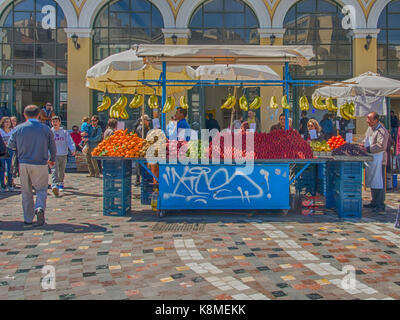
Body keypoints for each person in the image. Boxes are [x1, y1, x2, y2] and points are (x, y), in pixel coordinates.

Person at [8, 105, 57, 226]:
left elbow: (10, 146)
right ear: (39, 114)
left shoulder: (18, 129)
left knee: (26, 191)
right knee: (41, 189)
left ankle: (28, 218)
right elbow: (53, 146)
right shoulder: (45, 129)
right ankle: (39, 207)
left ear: (25, 115)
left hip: (24, 162)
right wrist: (52, 159)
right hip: (40, 162)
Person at [360, 112, 390, 213]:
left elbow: (381, 146)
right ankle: (374, 201)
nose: (367, 121)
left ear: (376, 120)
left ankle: (380, 204)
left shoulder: (382, 131)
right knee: (373, 181)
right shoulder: (370, 129)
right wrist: (363, 145)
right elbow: (366, 139)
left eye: (369, 119)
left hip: (379, 159)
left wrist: (367, 149)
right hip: (371, 159)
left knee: (379, 182)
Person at [50, 116, 76, 195]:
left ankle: (61, 182)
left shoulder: (64, 132)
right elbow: (47, 143)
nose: (55, 123)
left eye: (56, 121)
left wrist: (72, 149)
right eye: (53, 122)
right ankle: (54, 184)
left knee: (61, 170)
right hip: (54, 155)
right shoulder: (50, 132)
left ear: (59, 122)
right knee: (54, 170)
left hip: (63, 154)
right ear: (51, 123)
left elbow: (69, 141)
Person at [134, 115, 151, 186]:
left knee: (140, 164)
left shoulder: (145, 128)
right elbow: (143, 138)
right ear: (144, 121)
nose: (149, 122)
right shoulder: (141, 128)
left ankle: (138, 179)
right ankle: (138, 180)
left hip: (142, 149)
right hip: (140, 149)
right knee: (140, 165)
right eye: (147, 121)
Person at [0, 117, 15, 191]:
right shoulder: (0, 131)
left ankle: (10, 184)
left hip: (10, 150)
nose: (7, 123)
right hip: (2, 150)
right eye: (6, 122)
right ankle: (2, 185)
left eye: (9, 122)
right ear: (2, 123)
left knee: (10, 168)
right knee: (2, 168)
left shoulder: (12, 131)